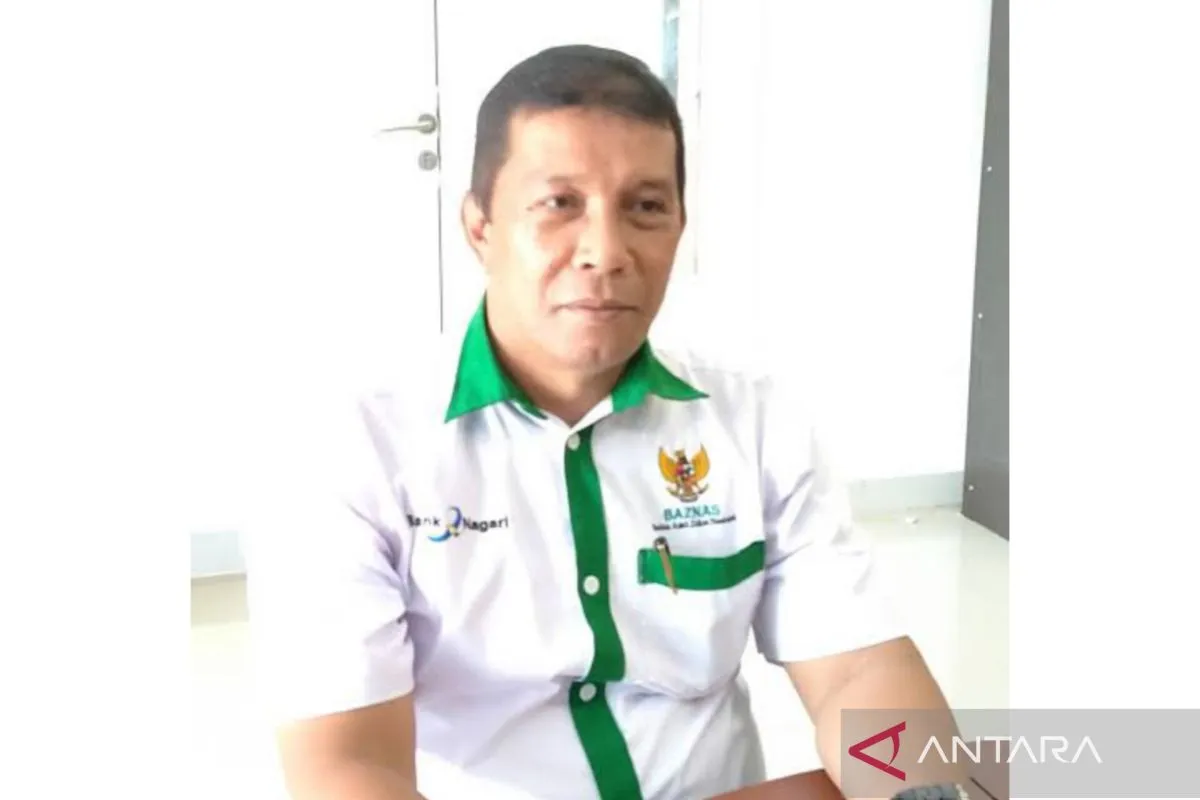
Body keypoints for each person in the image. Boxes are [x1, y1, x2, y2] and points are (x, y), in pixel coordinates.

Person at [249, 44, 966, 800]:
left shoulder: (754, 422)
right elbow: (350, 763)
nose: (606, 252)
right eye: (559, 204)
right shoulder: (356, 449)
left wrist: (919, 795)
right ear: (480, 226)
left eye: (645, 207)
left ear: (680, 225)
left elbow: (859, 670)